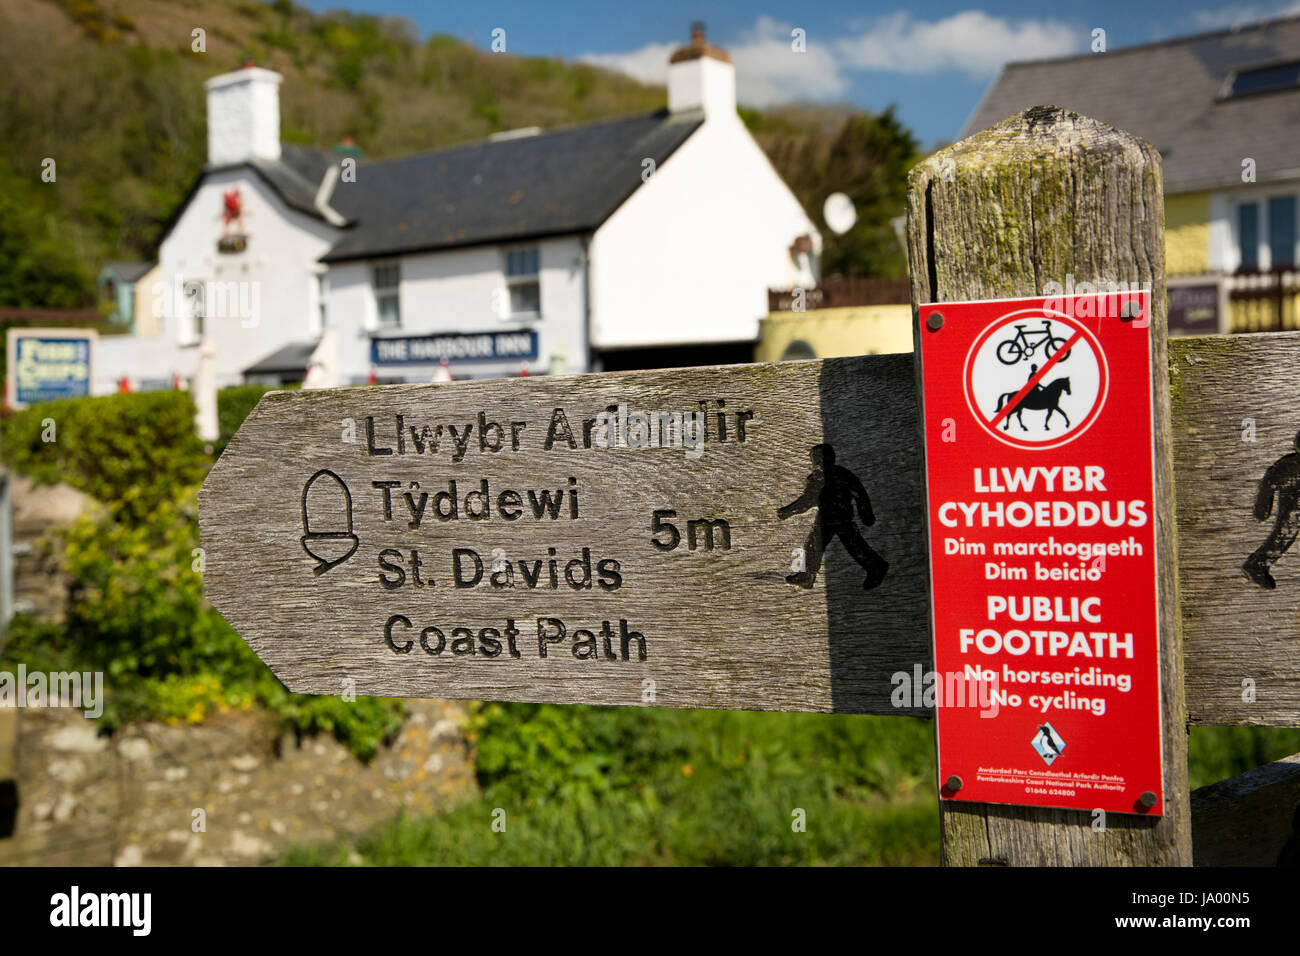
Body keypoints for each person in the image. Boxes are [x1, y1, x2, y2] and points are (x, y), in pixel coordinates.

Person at [778, 444, 888, 591]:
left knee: (830, 544)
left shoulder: (819, 478)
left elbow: (807, 502)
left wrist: (787, 512)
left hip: (833, 517)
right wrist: (866, 514)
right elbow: (860, 494)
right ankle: (875, 566)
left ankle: (876, 566)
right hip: (835, 516)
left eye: (815, 459)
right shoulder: (840, 474)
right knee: (841, 544)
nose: (815, 462)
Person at [1244, 430, 1300, 589]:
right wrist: (1262, 509)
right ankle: (1258, 565)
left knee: (1285, 532)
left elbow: (1270, 481)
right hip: (1294, 505)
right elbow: (1270, 482)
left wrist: (1262, 510)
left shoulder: (1287, 466)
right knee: (1285, 533)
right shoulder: (1290, 467)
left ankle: (1258, 565)